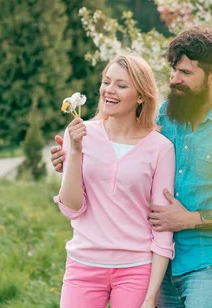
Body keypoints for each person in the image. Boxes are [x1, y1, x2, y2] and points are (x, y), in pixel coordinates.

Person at [52, 25, 212, 308]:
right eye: (174, 70)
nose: (175, 80)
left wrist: (189, 219)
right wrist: (72, 161)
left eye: (186, 73)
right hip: (162, 263)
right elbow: (127, 157)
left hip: (211, 263)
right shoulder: (167, 114)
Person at [54, 54, 176, 308]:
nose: (109, 90)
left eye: (121, 85)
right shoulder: (79, 133)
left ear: (141, 96)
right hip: (83, 264)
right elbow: (72, 208)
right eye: (107, 82)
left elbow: (162, 228)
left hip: (135, 269)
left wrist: (150, 297)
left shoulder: (161, 148)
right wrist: (74, 151)